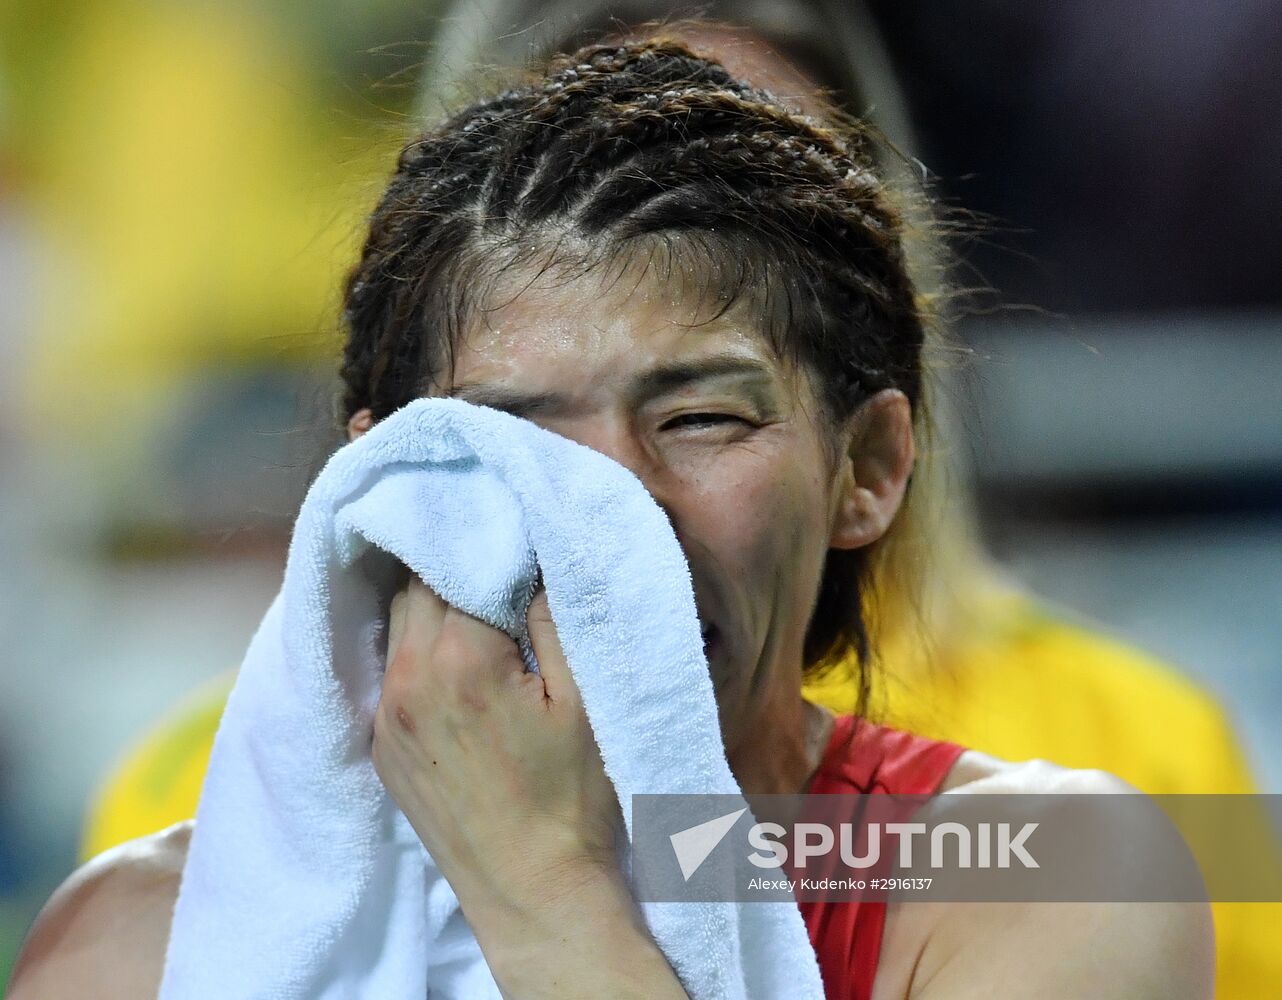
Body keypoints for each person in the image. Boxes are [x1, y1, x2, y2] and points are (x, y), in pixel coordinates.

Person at [79, 8, 1276, 995]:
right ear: (382, 485)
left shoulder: (1074, 850)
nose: (616, 515)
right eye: (514, 430)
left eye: (700, 419)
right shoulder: (140, 929)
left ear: (870, 463)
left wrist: (544, 891)